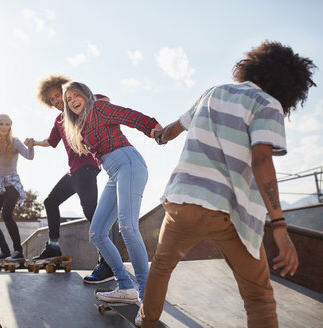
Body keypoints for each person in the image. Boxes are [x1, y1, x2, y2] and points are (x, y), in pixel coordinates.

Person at [140, 41, 316, 328]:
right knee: (258, 298)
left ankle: (147, 323)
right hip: (228, 213)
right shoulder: (267, 104)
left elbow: (171, 130)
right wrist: (280, 227)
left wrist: (158, 136)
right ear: (289, 87)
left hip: (181, 202)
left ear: (253, 65)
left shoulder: (214, 92)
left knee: (160, 269)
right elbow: (261, 161)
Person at [63, 81, 162, 320]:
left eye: (76, 95)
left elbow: (127, 115)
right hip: (113, 173)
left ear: (86, 95)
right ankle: (125, 287)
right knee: (96, 233)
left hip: (128, 163)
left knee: (127, 227)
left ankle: (147, 298)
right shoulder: (81, 127)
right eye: (68, 99)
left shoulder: (98, 108)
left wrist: (153, 128)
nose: (72, 100)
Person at [25, 75, 114, 283]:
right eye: (53, 100)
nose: (57, 101)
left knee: (91, 212)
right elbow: (51, 141)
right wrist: (34, 143)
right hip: (73, 171)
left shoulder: (78, 106)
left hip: (88, 166)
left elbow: (104, 99)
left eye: (59, 96)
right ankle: (54, 247)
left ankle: (107, 260)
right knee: (50, 201)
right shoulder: (58, 121)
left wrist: (81, 100)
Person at [0, 114, 34, 261]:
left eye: (7, 124)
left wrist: (30, 147)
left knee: (6, 214)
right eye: (1, 124)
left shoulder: (15, 142)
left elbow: (29, 156)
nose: (4, 127)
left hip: (12, 185)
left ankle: (18, 251)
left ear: (10, 126)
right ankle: (5, 252)